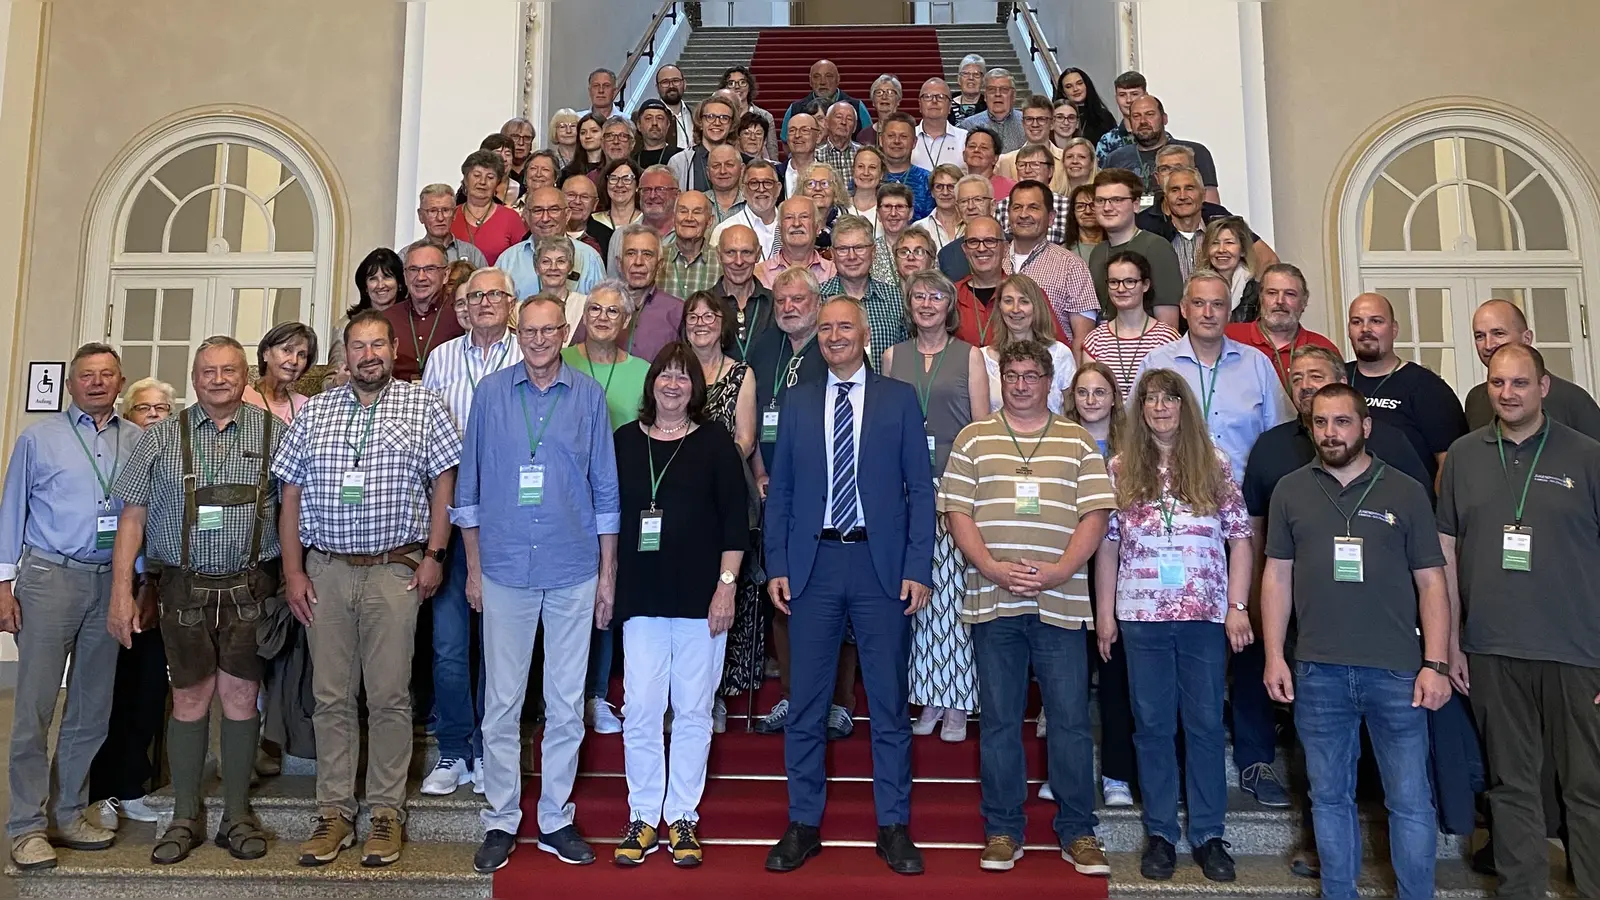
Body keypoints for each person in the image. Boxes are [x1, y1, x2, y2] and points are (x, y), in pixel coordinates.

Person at [272, 310, 460, 868]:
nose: (369, 354)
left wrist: (434, 555)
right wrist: (293, 571)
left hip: (393, 570)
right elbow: (290, 497)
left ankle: (384, 812)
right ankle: (333, 811)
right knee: (329, 698)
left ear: (393, 348)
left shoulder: (423, 404)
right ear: (345, 354)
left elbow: (444, 483)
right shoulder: (317, 410)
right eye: (358, 346)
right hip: (325, 568)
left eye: (378, 344)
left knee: (389, 696)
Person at [763, 296, 935, 876]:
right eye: (827, 327)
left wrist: (917, 567)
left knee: (887, 704)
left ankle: (893, 825)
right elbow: (781, 490)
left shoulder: (898, 398)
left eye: (845, 327)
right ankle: (803, 822)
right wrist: (778, 562)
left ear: (865, 334)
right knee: (807, 703)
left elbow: (921, 490)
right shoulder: (799, 400)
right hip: (813, 568)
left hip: (880, 568)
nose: (835, 336)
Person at [1260, 383, 1451, 900]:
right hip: (1318, 671)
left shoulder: (1406, 490)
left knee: (1410, 801)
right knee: (1328, 799)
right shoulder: (1290, 491)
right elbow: (1276, 576)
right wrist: (1275, 655)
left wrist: (1436, 661)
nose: (1331, 433)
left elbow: (1432, 580)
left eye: (1342, 422)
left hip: (1397, 672)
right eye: (1320, 423)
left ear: (1365, 427)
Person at [458, 295, 620, 873]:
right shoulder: (490, 395)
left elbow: (606, 493)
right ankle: (502, 817)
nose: (538, 339)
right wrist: (473, 568)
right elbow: (468, 491)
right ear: (514, 331)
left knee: (565, 703)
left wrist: (607, 575)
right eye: (528, 330)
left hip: (573, 568)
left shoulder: (590, 398)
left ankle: (555, 816)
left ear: (564, 332)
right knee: (502, 703)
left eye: (549, 330)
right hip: (503, 568)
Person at [939, 339, 1114, 875]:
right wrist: (991, 567)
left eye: (1030, 375)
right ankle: (1003, 830)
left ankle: (1078, 832)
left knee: (1068, 721)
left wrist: (1061, 570)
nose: (1019, 384)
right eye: (1011, 374)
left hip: (1060, 600)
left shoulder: (1078, 441)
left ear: (1049, 382)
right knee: (998, 722)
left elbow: (1096, 516)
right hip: (993, 599)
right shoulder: (973, 439)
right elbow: (957, 513)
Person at [109, 336, 284, 865]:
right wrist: (122, 592)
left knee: (239, 697)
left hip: (251, 587)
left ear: (245, 377)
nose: (218, 379)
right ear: (193, 377)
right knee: (188, 699)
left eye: (229, 370)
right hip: (182, 587)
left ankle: (236, 814)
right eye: (207, 371)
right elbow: (132, 518)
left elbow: (298, 509)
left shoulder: (276, 434)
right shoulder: (159, 438)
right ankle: (185, 813)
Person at [1439, 342, 1600, 900]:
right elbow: (1446, 549)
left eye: (1520, 383)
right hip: (1490, 647)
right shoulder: (1463, 455)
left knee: (1588, 785)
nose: (1507, 394)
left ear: (1544, 387)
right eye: (1497, 384)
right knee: (1510, 785)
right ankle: (1521, 890)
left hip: (1577, 651)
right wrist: (1452, 645)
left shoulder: (1587, 455)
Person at [1096, 367, 1253, 884]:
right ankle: (1161, 833)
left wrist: (1237, 607)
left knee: (1206, 725)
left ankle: (1209, 835)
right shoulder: (1120, 468)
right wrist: (1104, 615)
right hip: (1140, 615)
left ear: (1185, 405)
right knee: (1153, 726)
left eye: (1170, 398)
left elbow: (1240, 540)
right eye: (1150, 399)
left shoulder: (1215, 463)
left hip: (1204, 615)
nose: (1160, 407)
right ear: (1139, 410)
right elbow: (1109, 545)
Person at [1, 344, 140, 869]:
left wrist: (138, 585)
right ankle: (26, 826)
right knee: (34, 708)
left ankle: (67, 813)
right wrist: (2, 584)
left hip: (110, 584)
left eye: (106, 375)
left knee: (90, 708)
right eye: (86, 375)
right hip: (47, 578)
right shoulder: (40, 438)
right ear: (70, 384)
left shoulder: (139, 440)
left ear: (120, 381)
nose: (97, 383)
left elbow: (139, 516)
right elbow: (11, 508)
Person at [610, 342, 749, 867]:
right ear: (651, 385)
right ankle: (644, 815)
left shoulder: (715, 442)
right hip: (642, 598)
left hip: (702, 600)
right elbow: (609, 519)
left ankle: (683, 818)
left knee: (692, 710)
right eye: (664, 376)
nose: (673, 385)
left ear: (697, 388)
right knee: (642, 709)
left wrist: (727, 585)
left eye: (683, 377)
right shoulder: (625, 441)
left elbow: (735, 523)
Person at [417, 269, 523, 797]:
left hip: (506, 518)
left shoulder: (524, 357)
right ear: (463, 306)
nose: (484, 303)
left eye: (494, 295)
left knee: (499, 645)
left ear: (512, 303)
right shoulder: (441, 359)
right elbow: (428, 435)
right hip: (452, 514)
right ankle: (454, 748)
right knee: (450, 643)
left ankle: (489, 749)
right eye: (475, 296)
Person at [883, 271, 988, 743]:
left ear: (950, 306)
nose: (927, 304)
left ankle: (958, 701)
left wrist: (974, 488)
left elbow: (983, 430)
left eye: (937, 297)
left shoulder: (972, 357)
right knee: (917, 596)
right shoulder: (891, 356)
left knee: (952, 596)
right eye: (919, 296)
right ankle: (926, 695)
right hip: (904, 488)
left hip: (956, 485)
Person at [85, 378, 174, 833]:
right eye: (145, 408)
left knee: (146, 691)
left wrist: (151, 584)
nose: (155, 415)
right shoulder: (114, 454)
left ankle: (133, 786)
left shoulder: (174, 455)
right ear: (127, 411)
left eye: (163, 408)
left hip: (155, 586)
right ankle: (99, 792)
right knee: (104, 694)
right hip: (111, 585)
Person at [682, 292, 763, 731]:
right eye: (693, 317)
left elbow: (745, 439)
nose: (701, 323)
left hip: (727, 490)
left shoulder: (741, 373)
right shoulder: (673, 370)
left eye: (709, 316)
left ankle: (717, 695)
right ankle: (687, 692)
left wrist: (703, 464)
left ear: (723, 322)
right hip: (679, 498)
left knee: (726, 592)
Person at [1063, 362, 1137, 805]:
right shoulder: (1059, 439)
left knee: (1114, 676)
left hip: (1120, 569)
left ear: (1114, 398)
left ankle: (1116, 775)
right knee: (1069, 677)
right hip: (1070, 567)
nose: (1092, 400)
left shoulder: (1135, 446)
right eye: (1084, 392)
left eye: (1100, 391)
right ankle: (1066, 773)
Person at [1345, 292, 1468, 490]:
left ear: (1394, 329)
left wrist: (1437, 516)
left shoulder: (1428, 387)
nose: (1365, 329)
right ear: (1349, 330)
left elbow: (1448, 462)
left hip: (1406, 508)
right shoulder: (1338, 380)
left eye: (1376, 321)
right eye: (1357, 322)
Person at [1464, 298, 1600, 435]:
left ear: (1526, 339)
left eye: (1498, 333)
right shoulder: (1475, 399)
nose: (1488, 345)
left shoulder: (1572, 399)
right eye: (1480, 336)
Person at [999, 180, 1098, 350]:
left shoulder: (1071, 266)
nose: (1023, 214)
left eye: (1033, 207)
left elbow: (1083, 338)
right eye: (1017, 207)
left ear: (1051, 218)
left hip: (1054, 369)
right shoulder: (994, 259)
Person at [573, 225, 685, 364]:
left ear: (660, 264)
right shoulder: (597, 305)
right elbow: (575, 356)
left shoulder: (677, 311)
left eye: (647, 254)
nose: (638, 262)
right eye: (631, 253)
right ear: (619, 263)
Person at [1222, 264, 1340, 396]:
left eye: (1290, 294)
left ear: (1304, 302)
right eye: (1272, 293)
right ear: (1261, 298)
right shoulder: (1227, 337)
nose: (1280, 301)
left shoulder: (1324, 348)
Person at [1088, 168, 1184, 329]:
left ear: (1136, 205)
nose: (1107, 207)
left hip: (1147, 350)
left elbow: (1168, 324)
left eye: (1117, 200)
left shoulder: (1157, 248)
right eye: (1100, 200)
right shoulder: (1097, 252)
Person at [1080, 250, 1181, 396]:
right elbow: (1090, 394)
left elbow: (1175, 392)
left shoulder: (1167, 337)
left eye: (1130, 282)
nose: (1121, 289)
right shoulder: (1095, 340)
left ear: (1145, 285)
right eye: (1114, 282)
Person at [979, 274, 1075, 413]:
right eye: (1008, 301)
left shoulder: (1060, 354)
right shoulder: (982, 359)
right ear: (999, 306)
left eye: (1024, 301)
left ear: (1036, 307)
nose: (1015, 309)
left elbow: (1071, 412)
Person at [821, 214, 905, 371]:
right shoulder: (818, 299)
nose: (852, 257)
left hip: (885, 392)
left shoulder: (897, 298)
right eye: (843, 249)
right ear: (832, 254)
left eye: (859, 248)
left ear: (873, 252)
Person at [1104, 96, 1220, 203]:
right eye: (1136, 116)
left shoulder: (1194, 151)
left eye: (1150, 114)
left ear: (1164, 119)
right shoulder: (1115, 159)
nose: (1143, 121)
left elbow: (1211, 206)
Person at [501, 187, 606, 301]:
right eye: (537, 210)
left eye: (554, 210)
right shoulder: (508, 259)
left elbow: (601, 305)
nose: (545, 218)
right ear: (526, 215)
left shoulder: (589, 257)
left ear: (567, 215)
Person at [386, 241, 466, 382]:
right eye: (413, 270)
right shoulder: (387, 319)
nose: (421, 277)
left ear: (446, 275)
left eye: (429, 269)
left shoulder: (461, 315)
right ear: (405, 276)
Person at [452, 150, 528, 266]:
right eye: (477, 175)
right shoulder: (450, 216)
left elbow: (522, 259)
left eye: (490, 177)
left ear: (497, 183)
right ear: (466, 180)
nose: (482, 182)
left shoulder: (510, 218)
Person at [712, 224, 774, 361]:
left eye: (746, 252)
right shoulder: (704, 306)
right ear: (718, 255)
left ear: (758, 255)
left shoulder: (775, 304)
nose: (739, 261)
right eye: (730, 252)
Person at [993, 145, 1075, 243]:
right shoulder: (1002, 206)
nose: (1027, 170)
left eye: (1035, 164)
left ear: (1050, 171)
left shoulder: (1067, 206)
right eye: (1022, 165)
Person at [780, 59, 871, 144]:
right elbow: (786, 142)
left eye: (828, 76)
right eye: (817, 77)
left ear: (838, 79)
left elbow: (867, 138)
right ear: (810, 81)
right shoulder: (795, 109)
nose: (822, 82)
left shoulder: (856, 106)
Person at [243, 322, 316, 423]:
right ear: (266, 353)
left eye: (302, 355)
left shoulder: (306, 405)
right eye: (286, 350)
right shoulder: (242, 398)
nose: (294, 361)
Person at [757, 196, 835, 289]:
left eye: (804, 217)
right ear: (780, 229)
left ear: (817, 228)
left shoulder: (833, 272)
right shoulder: (759, 274)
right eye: (789, 217)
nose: (796, 223)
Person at [668, 95, 740, 193]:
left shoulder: (742, 161)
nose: (717, 123)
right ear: (700, 122)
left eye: (724, 118)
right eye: (710, 117)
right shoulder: (679, 162)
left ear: (731, 125)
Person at [996, 98, 1069, 192]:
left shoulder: (1066, 159)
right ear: (1022, 123)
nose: (1035, 124)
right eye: (1029, 119)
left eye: (1041, 119)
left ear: (1052, 123)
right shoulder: (1005, 161)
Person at [659, 191, 722, 299]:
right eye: (683, 211)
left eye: (697, 212)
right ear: (673, 217)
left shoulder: (721, 261)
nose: (689, 218)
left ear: (710, 220)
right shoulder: (657, 258)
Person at [1195, 217, 1259, 322]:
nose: (1221, 250)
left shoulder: (1256, 292)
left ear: (1242, 250)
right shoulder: (1196, 288)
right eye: (1215, 243)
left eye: (1229, 243)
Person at [710, 161, 780, 255]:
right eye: (754, 183)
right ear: (743, 190)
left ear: (778, 188)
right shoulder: (724, 229)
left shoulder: (791, 225)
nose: (761, 189)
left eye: (768, 182)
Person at [936, 174, 996, 280]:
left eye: (978, 200)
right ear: (957, 209)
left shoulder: (1010, 244)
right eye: (964, 201)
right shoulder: (947, 255)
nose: (971, 207)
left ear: (992, 205)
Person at [878, 113, 934, 221]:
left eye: (903, 136)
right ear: (881, 140)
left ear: (914, 142)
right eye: (891, 136)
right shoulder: (868, 178)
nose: (897, 141)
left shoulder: (927, 180)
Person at [418, 184, 489, 269]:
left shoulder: (473, 255)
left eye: (446, 210)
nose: (440, 218)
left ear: (454, 214)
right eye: (433, 211)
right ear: (421, 216)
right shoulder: (407, 256)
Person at [586, 158, 641, 265]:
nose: (619, 185)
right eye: (613, 179)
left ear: (637, 185)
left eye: (627, 179)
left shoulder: (645, 221)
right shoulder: (592, 222)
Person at [961, 69, 1026, 156]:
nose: (997, 94)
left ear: (1013, 95)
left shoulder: (1027, 122)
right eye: (991, 90)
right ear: (985, 96)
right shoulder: (968, 125)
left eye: (1004, 90)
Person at [720, 65, 777, 161]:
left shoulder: (765, 116)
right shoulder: (720, 117)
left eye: (742, 82)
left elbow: (772, 150)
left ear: (749, 86)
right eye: (731, 83)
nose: (737, 87)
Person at [533, 235, 587, 336]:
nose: (553, 268)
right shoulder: (522, 308)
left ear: (570, 267)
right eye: (546, 261)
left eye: (561, 261)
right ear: (537, 268)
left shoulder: (585, 305)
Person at [912, 78, 967, 173]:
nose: (934, 101)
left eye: (941, 97)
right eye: (928, 96)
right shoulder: (907, 137)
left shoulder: (965, 138)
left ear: (950, 106)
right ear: (920, 105)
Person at [1093, 71, 1147, 165]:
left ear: (1145, 96)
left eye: (1134, 94)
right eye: (1122, 95)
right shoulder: (1107, 142)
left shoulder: (1156, 135)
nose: (1129, 100)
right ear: (1116, 98)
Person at [1056, 66, 1117, 146]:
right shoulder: (1056, 118)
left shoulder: (1104, 117)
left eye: (1079, 83)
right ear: (1063, 93)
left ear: (1086, 86)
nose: (1075, 89)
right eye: (1069, 86)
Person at [912, 164, 964, 252]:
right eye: (939, 187)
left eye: (951, 187)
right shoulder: (920, 227)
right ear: (932, 192)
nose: (945, 192)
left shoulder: (971, 225)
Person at [816, 102, 864, 186]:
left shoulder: (863, 154)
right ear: (827, 122)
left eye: (849, 119)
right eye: (838, 117)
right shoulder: (815, 155)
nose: (843, 122)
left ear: (855, 127)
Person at [963, 127, 1014, 203]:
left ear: (995, 158)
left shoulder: (1011, 188)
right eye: (972, 146)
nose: (976, 150)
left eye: (984, 148)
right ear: (964, 155)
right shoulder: (953, 187)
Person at [778, 113, 820, 199]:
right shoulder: (775, 174)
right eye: (792, 130)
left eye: (804, 130)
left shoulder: (828, 175)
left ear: (818, 136)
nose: (797, 135)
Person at [559, 113, 606, 185]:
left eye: (594, 131)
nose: (588, 136)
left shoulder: (612, 168)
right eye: (583, 133)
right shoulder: (568, 172)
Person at [654, 65, 693, 150]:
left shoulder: (696, 113)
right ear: (657, 88)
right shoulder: (646, 117)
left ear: (684, 84)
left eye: (676, 81)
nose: (671, 86)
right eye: (665, 82)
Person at [633, 99, 680, 169]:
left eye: (660, 118)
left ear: (668, 125)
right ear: (639, 125)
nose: (654, 123)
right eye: (648, 118)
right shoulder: (632, 161)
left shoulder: (681, 157)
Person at [861, 73, 902, 146]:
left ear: (898, 100)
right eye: (879, 92)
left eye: (890, 92)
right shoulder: (864, 136)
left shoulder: (907, 132)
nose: (884, 97)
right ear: (873, 101)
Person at [847, 146, 885, 226]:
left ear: (881, 174)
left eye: (872, 167)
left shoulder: (887, 209)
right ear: (853, 171)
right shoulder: (840, 208)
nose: (866, 173)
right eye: (860, 166)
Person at [1066, 183, 1103, 262]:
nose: (1088, 211)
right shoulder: (1062, 253)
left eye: (1093, 205)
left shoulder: (1119, 248)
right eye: (1080, 206)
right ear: (1073, 213)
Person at [951, 54, 987, 125]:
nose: (971, 78)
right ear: (958, 79)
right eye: (966, 73)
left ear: (983, 80)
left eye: (976, 74)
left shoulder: (989, 105)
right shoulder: (947, 103)